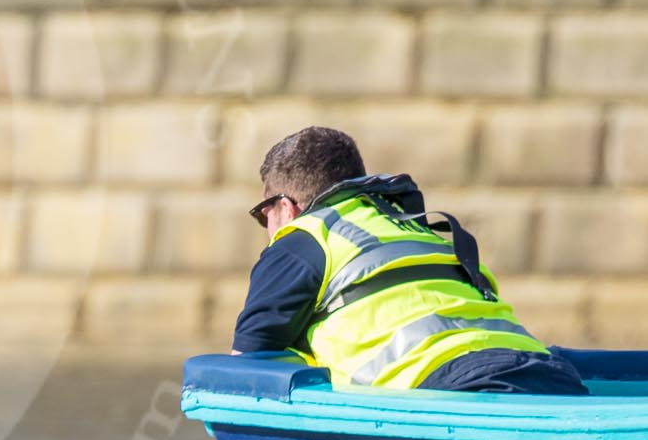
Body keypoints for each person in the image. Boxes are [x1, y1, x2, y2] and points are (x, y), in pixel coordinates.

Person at [235, 126, 585, 395]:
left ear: (285, 207)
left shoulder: (303, 237)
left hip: (451, 389)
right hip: (549, 372)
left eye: (262, 214)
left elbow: (243, 372)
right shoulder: (424, 233)